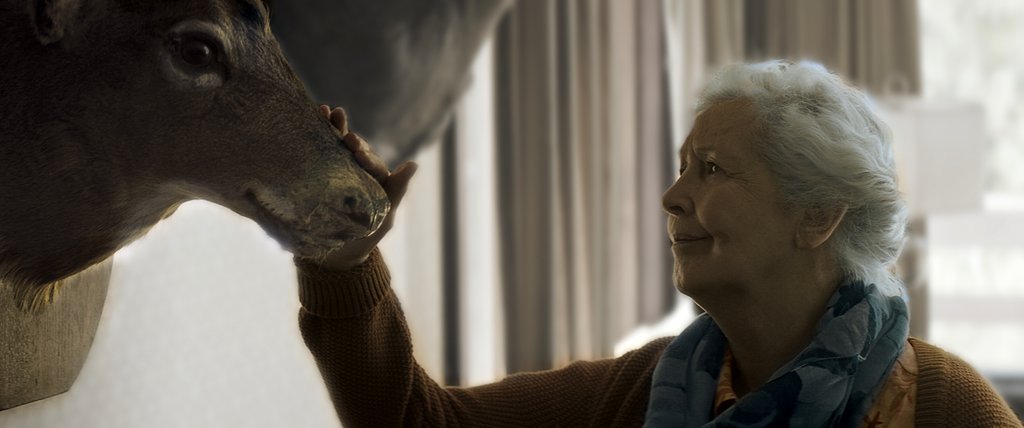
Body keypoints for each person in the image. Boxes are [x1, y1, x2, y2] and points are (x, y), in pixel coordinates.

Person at [297, 61, 1022, 427]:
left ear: (817, 216)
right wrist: (345, 256)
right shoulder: (646, 390)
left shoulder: (943, 407)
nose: (672, 198)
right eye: (681, 169)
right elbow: (418, 423)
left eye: (709, 170)